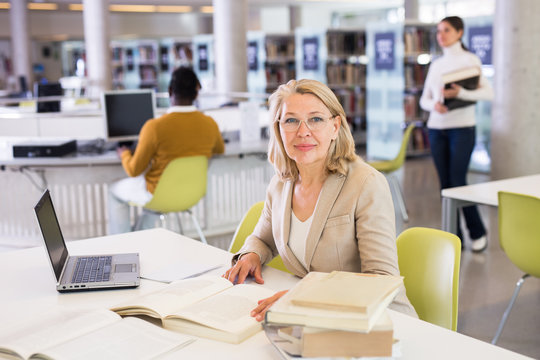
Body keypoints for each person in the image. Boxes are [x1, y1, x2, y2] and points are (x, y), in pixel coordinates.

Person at [223, 79, 417, 321]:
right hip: (315, 319)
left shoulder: (366, 184)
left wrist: (302, 296)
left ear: (335, 126)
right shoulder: (281, 185)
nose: (303, 131)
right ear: (278, 129)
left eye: (315, 119)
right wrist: (251, 255)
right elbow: (263, 239)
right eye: (291, 120)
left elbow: (381, 280)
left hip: (377, 321)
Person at [108, 67, 224, 234]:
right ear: (196, 94)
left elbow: (133, 170)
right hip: (192, 194)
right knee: (152, 201)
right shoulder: (210, 124)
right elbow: (219, 149)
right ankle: (139, 237)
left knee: (114, 191)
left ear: (170, 91)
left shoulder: (154, 127)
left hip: (158, 194)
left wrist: (125, 153)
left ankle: (121, 245)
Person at [419, 16, 494, 252]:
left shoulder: (471, 60)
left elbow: (487, 94)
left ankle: (477, 231)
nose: (441, 35)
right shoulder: (436, 64)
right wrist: (435, 106)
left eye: (447, 30)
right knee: (445, 184)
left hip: (462, 128)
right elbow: (424, 99)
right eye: (439, 31)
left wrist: (461, 92)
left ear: (459, 32)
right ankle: (454, 237)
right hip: (437, 129)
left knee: (458, 181)